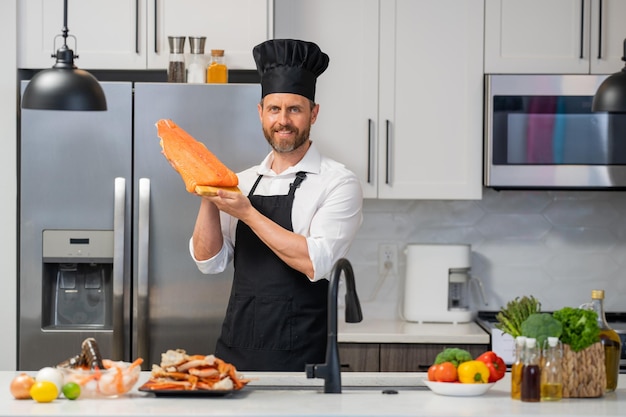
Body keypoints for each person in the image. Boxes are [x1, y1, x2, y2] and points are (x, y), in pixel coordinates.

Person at [189, 39, 363, 371]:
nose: (283, 120)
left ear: (314, 113)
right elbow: (208, 262)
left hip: (303, 362)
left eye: (294, 109)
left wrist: (247, 214)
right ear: (261, 113)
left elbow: (316, 263)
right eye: (274, 109)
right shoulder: (241, 181)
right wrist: (208, 194)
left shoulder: (337, 182)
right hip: (235, 357)